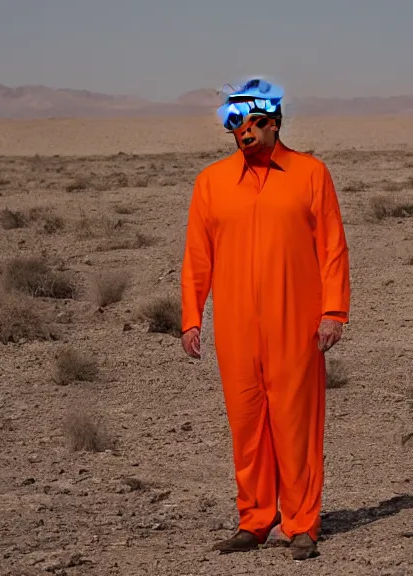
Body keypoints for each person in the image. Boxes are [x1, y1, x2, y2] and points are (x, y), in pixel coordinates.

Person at [179, 78, 351, 561]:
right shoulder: (211, 182)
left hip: (296, 324)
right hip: (235, 327)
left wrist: (333, 311)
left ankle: (302, 525)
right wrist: (192, 318)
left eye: (256, 123)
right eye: (237, 123)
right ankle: (254, 520)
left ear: (274, 123)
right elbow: (197, 257)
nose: (246, 132)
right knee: (248, 425)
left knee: (296, 425)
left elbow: (332, 249)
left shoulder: (311, 174)